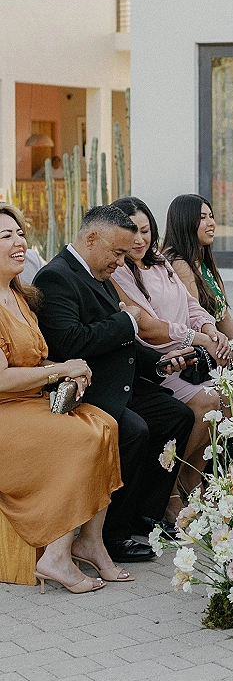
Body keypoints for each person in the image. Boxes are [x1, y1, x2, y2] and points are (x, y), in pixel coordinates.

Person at [34, 205, 195, 563]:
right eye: (118, 252)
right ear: (91, 238)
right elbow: (69, 343)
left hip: (119, 385)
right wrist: (127, 321)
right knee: (135, 431)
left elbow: (126, 340)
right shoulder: (56, 277)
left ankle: (142, 513)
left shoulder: (97, 272)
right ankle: (110, 535)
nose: (121, 262)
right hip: (85, 392)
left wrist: (159, 362)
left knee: (177, 416)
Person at [0, 203, 128, 593]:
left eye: (20, 233)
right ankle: (56, 555)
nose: (19, 241)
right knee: (79, 438)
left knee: (105, 424)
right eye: (6, 236)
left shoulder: (19, 296)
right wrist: (61, 369)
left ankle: (89, 541)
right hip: (6, 409)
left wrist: (71, 367)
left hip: (29, 402)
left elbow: (35, 358)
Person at [109, 196, 229, 511]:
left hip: (188, 354)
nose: (139, 239)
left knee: (228, 397)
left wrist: (208, 327)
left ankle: (193, 477)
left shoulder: (160, 261)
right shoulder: (119, 272)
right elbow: (146, 325)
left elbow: (190, 304)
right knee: (208, 402)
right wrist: (195, 337)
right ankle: (172, 486)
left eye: (145, 230)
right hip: (158, 363)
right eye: (131, 231)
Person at [162, 194, 233, 343]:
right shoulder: (178, 264)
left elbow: (224, 320)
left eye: (211, 216)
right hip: (199, 349)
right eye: (202, 218)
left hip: (216, 343)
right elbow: (194, 321)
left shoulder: (202, 263)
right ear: (184, 222)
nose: (211, 223)